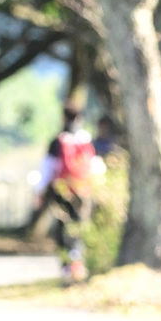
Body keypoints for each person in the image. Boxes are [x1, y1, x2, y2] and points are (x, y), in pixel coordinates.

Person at [36, 100, 102, 284]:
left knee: (63, 229)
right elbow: (96, 168)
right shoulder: (87, 142)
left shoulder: (58, 141)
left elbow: (46, 169)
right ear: (80, 118)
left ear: (64, 117)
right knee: (80, 228)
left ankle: (67, 268)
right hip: (84, 192)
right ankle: (78, 265)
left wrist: (39, 192)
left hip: (62, 192)